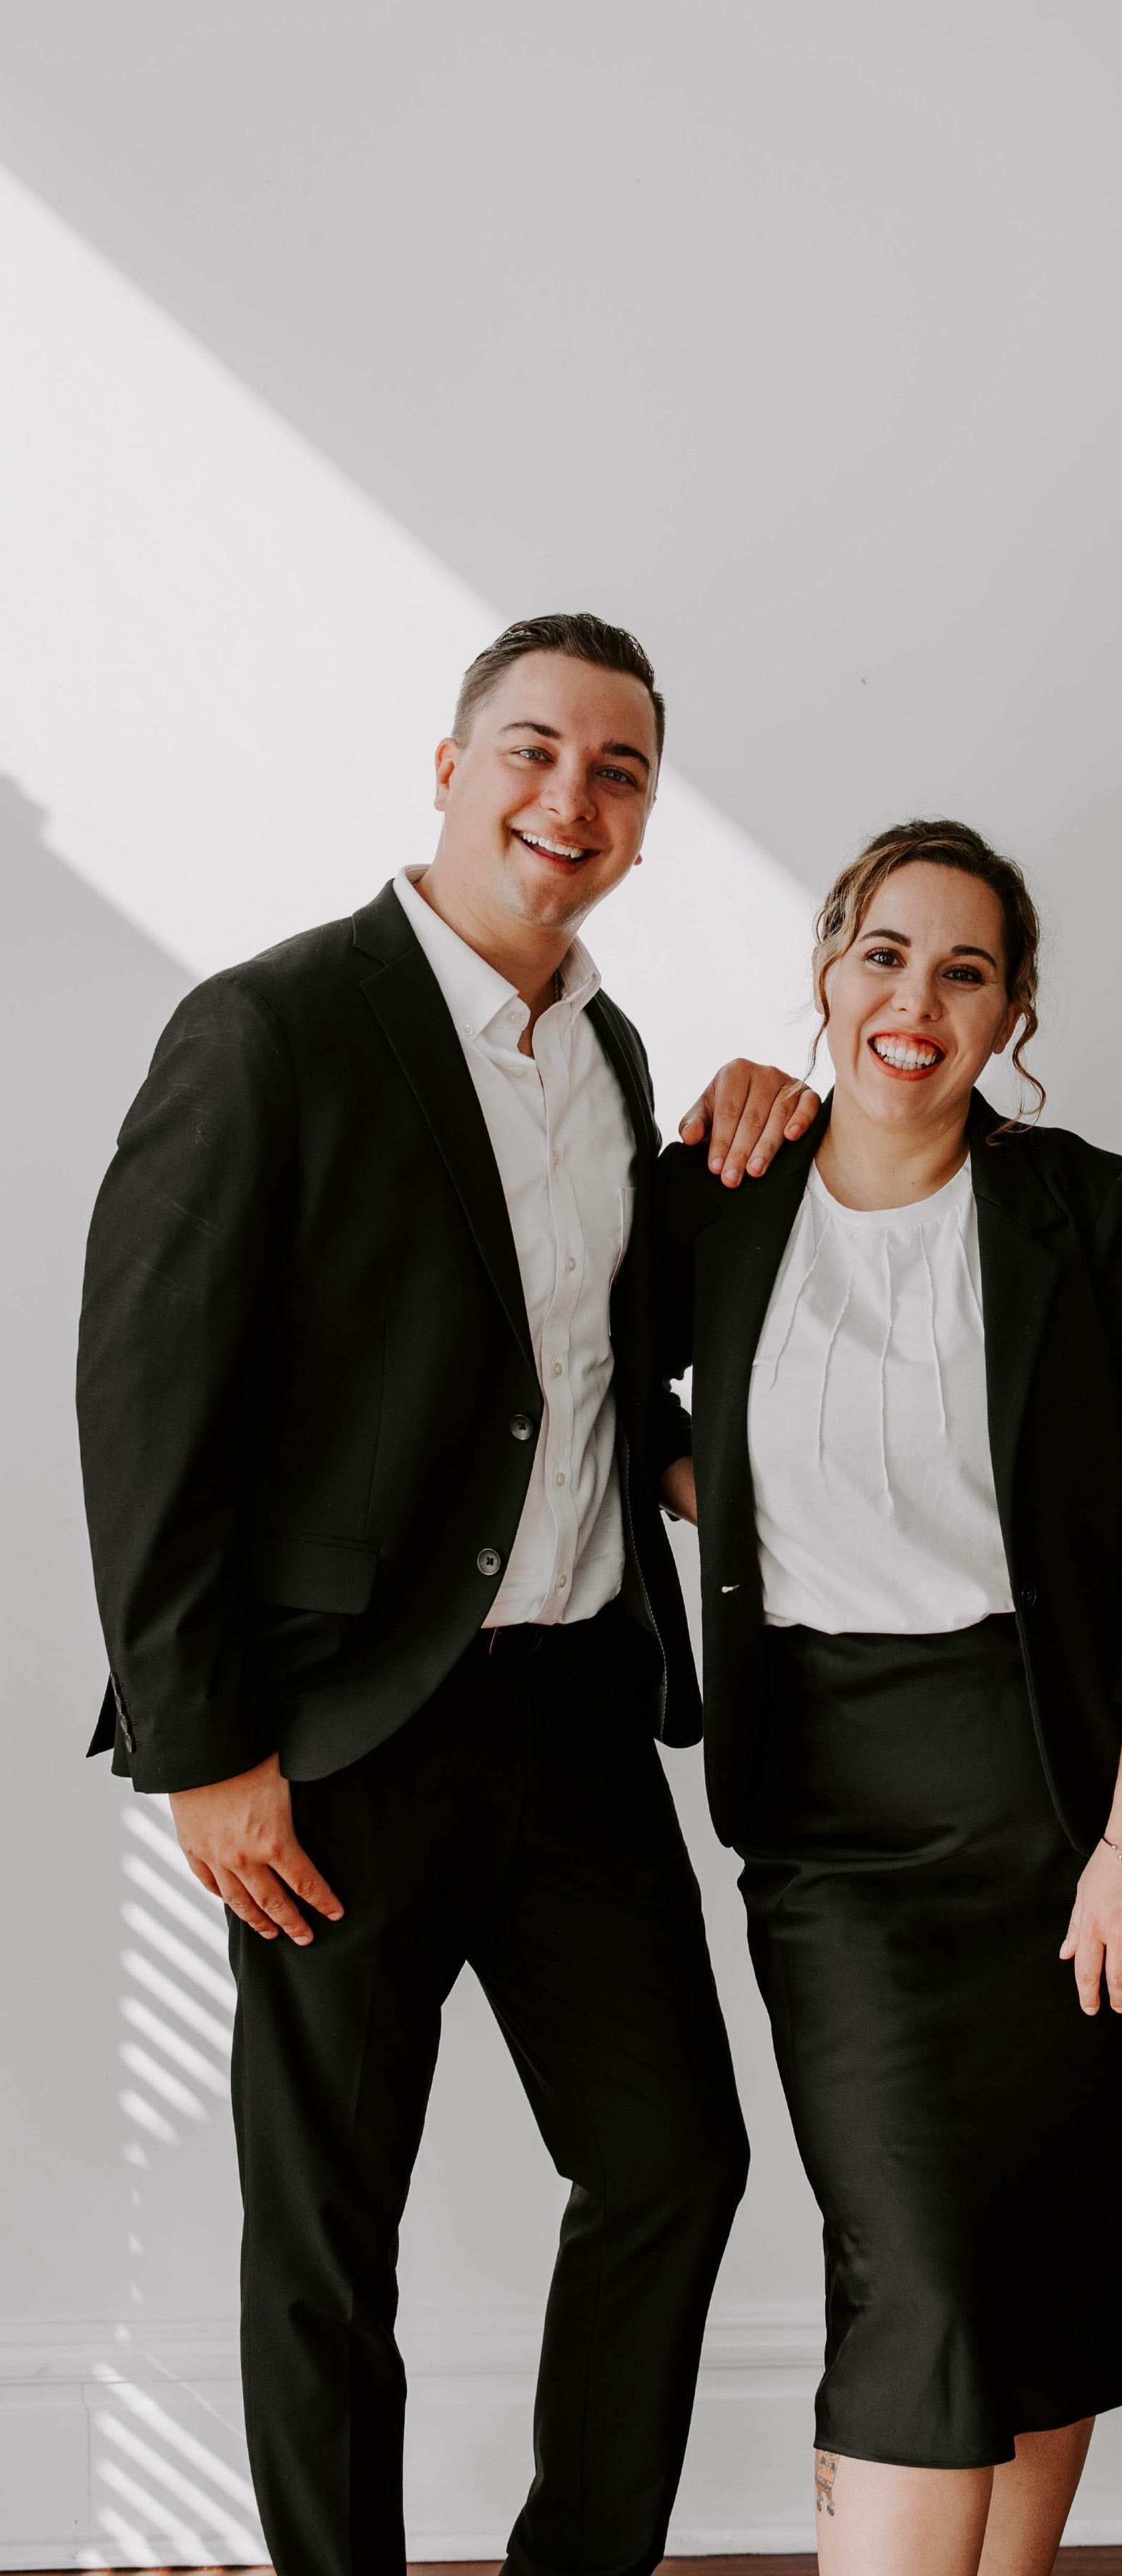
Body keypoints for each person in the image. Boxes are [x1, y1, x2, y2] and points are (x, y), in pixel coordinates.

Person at [77, 613, 821, 2576]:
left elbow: (598, 1369)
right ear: (447, 765)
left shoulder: (608, 1050)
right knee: (329, 2241)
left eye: (617, 770)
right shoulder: (274, 1027)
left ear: (648, 818)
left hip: (575, 1720)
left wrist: (750, 1144)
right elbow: (146, 1397)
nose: (568, 798)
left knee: (673, 2165)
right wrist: (201, 1746)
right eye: (532, 751)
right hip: (333, 1743)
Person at [654, 819, 1122, 2576]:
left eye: (964, 970)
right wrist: (710, 1480)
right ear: (828, 971)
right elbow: (568, 1375)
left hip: (1067, 1804)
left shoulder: (1093, 1216)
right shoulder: (715, 1195)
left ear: (1012, 1013)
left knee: (1037, 2265)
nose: (916, 1000)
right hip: (834, 1827)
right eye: (885, 955)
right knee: (911, 2263)